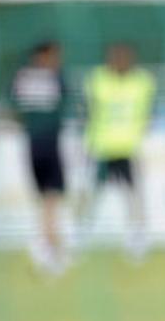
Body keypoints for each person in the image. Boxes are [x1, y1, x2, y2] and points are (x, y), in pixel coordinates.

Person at [77, 43, 155, 261]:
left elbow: (147, 112)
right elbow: (86, 110)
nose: (120, 61)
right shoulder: (96, 80)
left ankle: (137, 238)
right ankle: (80, 233)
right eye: (116, 57)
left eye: (124, 57)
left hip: (129, 148)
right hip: (101, 147)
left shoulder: (142, 81)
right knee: (90, 194)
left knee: (134, 195)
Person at [10, 41, 70, 276]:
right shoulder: (54, 77)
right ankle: (48, 246)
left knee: (47, 199)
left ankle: (48, 244)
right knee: (51, 198)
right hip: (48, 145)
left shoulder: (22, 77)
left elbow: (14, 106)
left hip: (33, 144)